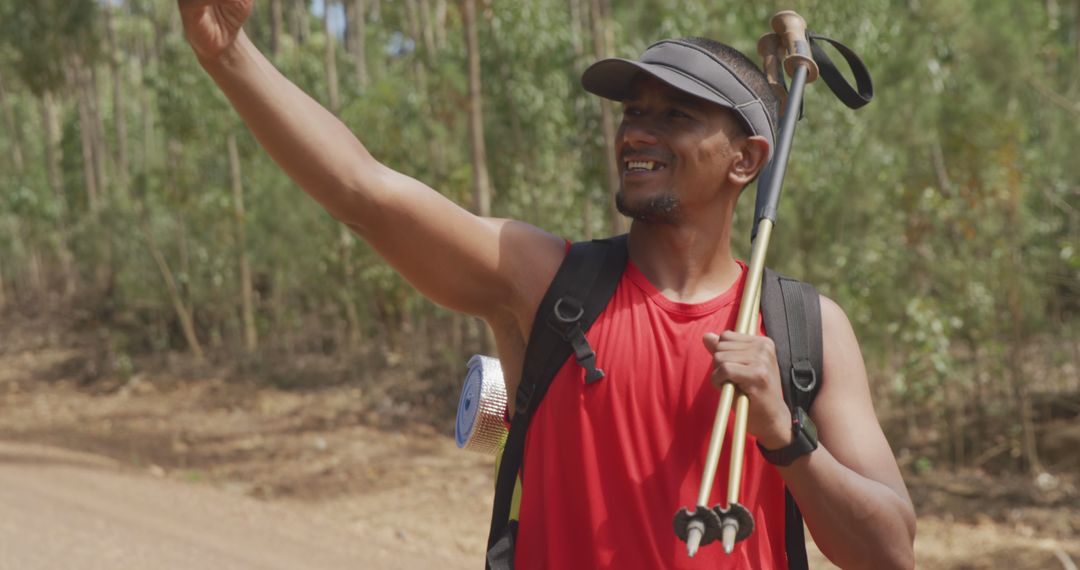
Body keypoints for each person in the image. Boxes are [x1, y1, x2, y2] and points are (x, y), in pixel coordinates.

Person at [179, 1, 916, 568]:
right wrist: (228, 55)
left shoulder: (800, 328)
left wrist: (784, 438)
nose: (636, 132)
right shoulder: (545, 281)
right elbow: (366, 194)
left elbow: (890, 551)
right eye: (633, 111)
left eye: (676, 115)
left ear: (746, 160)